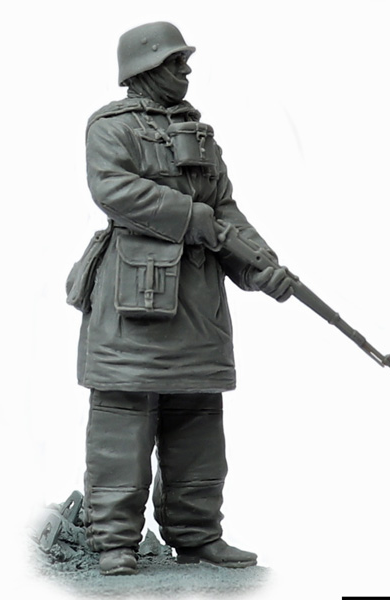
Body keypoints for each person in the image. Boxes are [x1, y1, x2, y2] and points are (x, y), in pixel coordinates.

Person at [75, 21, 294, 575]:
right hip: (132, 301)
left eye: (184, 60)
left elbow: (224, 209)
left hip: (199, 303)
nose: (187, 69)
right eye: (176, 61)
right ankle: (115, 541)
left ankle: (197, 536)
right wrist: (192, 217)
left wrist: (261, 265)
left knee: (198, 424)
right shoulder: (110, 127)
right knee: (122, 424)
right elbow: (114, 190)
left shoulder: (199, 132)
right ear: (146, 66)